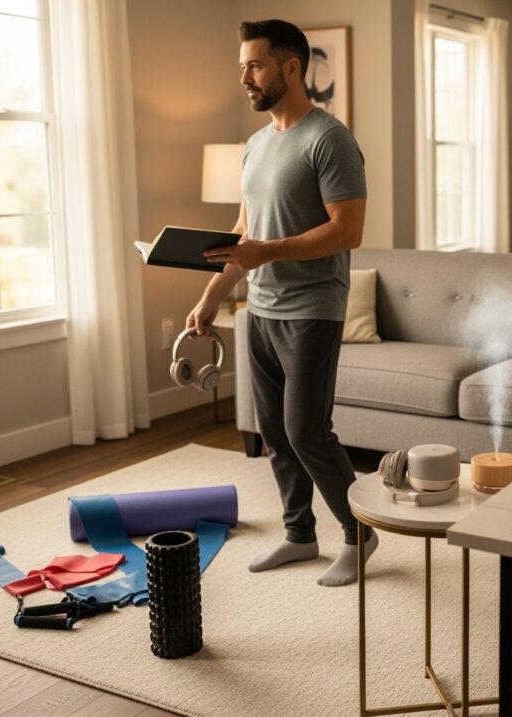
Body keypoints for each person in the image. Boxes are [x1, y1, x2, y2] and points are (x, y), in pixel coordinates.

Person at [186, 19, 377, 587]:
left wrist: (267, 251)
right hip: (260, 310)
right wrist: (208, 297)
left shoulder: (329, 138)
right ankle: (299, 534)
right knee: (272, 430)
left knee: (307, 431)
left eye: (255, 65)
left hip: (312, 309)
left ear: (291, 68)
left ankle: (358, 532)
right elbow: (244, 233)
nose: (245, 78)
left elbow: (348, 231)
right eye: (242, 66)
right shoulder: (255, 146)